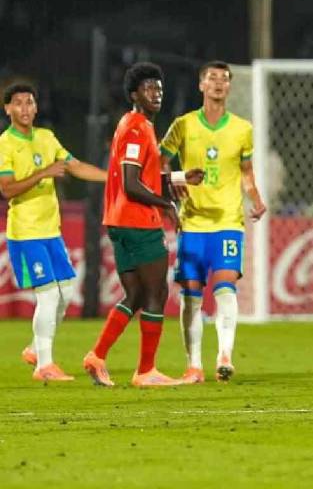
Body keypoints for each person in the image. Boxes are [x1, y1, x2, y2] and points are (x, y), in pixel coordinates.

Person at [82, 62, 202, 387]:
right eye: (149, 88)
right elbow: (133, 184)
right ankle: (146, 371)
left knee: (134, 294)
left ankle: (97, 356)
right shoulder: (136, 127)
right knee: (156, 292)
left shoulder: (138, 126)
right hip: (137, 220)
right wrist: (169, 206)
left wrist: (178, 178)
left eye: (159, 89)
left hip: (120, 220)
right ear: (134, 94)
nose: (156, 93)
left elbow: (143, 177)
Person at [160, 60, 266, 383]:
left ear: (230, 87)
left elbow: (246, 173)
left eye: (224, 79)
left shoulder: (242, 129)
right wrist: (174, 184)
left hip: (228, 221)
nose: (219, 83)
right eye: (212, 78)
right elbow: (159, 164)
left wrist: (257, 199)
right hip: (192, 223)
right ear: (201, 85)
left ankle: (224, 355)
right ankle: (193, 365)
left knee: (225, 286)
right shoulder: (183, 125)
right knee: (191, 294)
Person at [0, 83, 107, 382]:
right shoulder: (5, 144)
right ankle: (43, 366)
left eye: (29, 102)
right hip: (26, 233)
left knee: (67, 292)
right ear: (7, 109)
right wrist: (43, 173)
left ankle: (36, 347)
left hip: (51, 231)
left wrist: (113, 179)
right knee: (47, 296)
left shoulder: (47, 138)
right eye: (18, 103)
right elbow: (6, 189)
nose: (24, 108)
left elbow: (76, 166)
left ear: (36, 107)